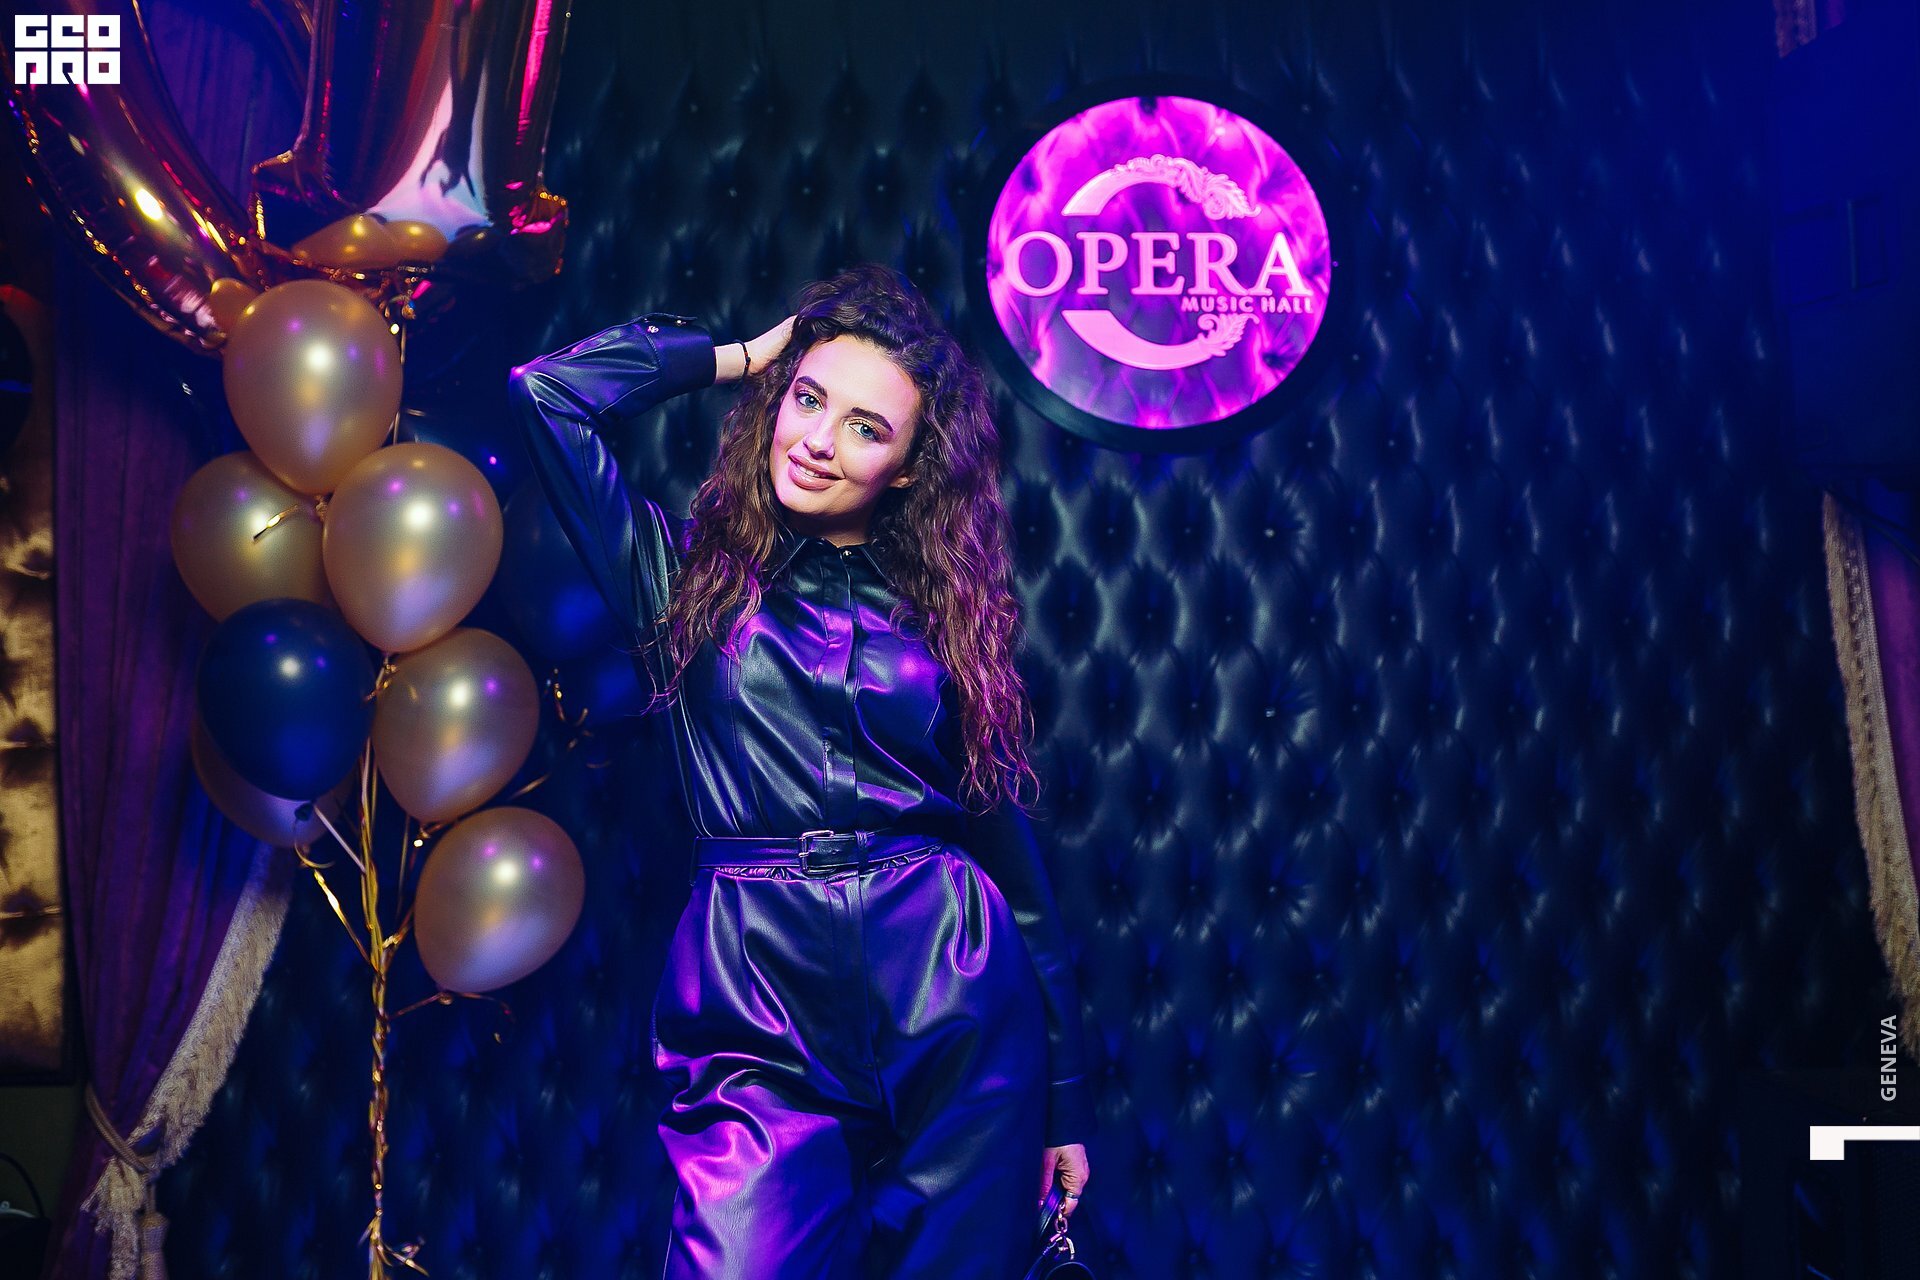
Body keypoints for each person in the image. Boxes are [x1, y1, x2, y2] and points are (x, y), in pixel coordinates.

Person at [507, 263, 1094, 1278]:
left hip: (949, 982)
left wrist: (1066, 1102)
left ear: (907, 467)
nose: (819, 439)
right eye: (809, 399)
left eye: (866, 427)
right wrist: (737, 356)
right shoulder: (682, 578)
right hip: (754, 991)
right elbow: (546, 395)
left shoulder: (948, 620)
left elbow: (1010, 857)